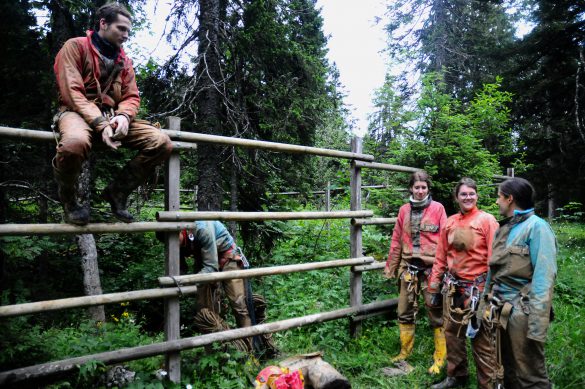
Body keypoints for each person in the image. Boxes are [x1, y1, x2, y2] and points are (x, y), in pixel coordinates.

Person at [52, 3, 172, 225]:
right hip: (76, 112)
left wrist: (124, 116)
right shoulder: (75, 47)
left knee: (161, 142)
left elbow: (132, 96)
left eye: (128, 31)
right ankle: (68, 201)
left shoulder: (124, 60)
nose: (126, 35)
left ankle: (117, 192)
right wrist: (100, 123)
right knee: (74, 144)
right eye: (121, 28)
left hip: (112, 115)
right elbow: (72, 92)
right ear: (103, 24)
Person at [479, 177, 556, 388]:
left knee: (530, 373)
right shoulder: (503, 228)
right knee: (506, 368)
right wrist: (484, 304)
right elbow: (492, 271)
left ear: (510, 199)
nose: (497, 202)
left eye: (499, 197)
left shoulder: (537, 228)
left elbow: (544, 278)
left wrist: (537, 326)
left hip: (523, 312)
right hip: (499, 309)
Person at [428, 178, 499, 389]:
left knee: (482, 339)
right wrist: (434, 285)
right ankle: (456, 376)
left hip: (477, 290)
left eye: (471, 193)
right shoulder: (450, 222)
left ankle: (487, 384)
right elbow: (441, 256)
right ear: (456, 197)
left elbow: (495, 260)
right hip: (452, 289)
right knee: (452, 334)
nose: (468, 197)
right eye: (463, 194)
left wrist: (491, 292)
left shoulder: (487, 220)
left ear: (477, 195)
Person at [170, 221, 276, 356]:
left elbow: (211, 266)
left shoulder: (202, 230)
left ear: (180, 230)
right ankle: (215, 354)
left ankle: (250, 353)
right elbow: (182, 269)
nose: (173, 245)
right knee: (205, 311)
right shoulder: (175, 242)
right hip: (204, 262)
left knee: (239, 305)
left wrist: (190, 282)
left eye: (174, 240)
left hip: (227, 258)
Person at [384, 171, 447, 374]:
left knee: (435, 311)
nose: (420, 191)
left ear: (428, 189)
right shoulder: (404, 211)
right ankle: (405, 352)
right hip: (408, 269)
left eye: (424, 188)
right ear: (411, 188)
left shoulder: (438, 209)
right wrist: (391, 267)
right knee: (404, 310)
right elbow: (396, 240)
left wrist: (444, 267)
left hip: (431, 269)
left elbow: (446, 239)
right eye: (417, 187)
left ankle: (440, 358)